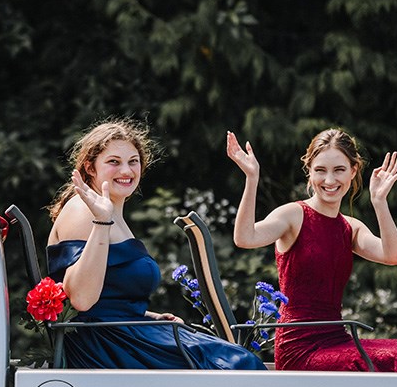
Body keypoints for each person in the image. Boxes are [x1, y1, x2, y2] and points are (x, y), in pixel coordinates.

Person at [46, 119, 266, 370]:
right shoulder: (84, 211)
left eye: (133, 161)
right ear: (90, 167)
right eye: (113, 162)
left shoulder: (111, 212)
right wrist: (101, 221)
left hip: (125, 332)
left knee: (234, 357)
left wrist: (149, 317)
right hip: (104, 344)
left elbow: (109, 298)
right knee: (238, 365)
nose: (126, 171)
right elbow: (82, 301)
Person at [226, 128, 397, 373]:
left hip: (337, 339)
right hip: (300, 347)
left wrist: (379, 202)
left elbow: (393, 255)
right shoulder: (293, 214)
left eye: (339, 170)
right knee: (390, 362)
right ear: (309, 172)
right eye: (320, 170)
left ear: (353, 171)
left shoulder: (350, 228)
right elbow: (245, 238)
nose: (330, 180)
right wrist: (251, 178)